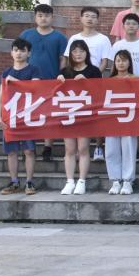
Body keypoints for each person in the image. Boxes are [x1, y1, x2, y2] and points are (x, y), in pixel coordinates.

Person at [20, 3, 67, 164]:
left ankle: (48, 148)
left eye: (46, 15)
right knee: (29, 115)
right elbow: (19, 56)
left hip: (51, 82)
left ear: (52, 17)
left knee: (49, 117)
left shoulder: (60, 37)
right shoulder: (26, 35)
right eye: (40, 15)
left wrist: (60, 75)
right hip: (29, 82)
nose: (43, 18)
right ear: (35, 17)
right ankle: (28, 147)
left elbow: (63, 59)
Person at [56, 40, 103, 195]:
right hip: (68, 115)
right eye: (75, 51)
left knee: (83, 148)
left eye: (81, 51)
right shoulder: (65, 71)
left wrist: (87, 82)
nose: (78, 54)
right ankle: (69, 181)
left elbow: (100, 92)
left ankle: (82, 181)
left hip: (85, 115)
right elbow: (56, 94)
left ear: (86, 53)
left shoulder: (94, 71)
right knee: (69, 149)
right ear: (70, 54)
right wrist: (58, 82)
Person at [0, 39, 41, 195]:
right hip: (10, 117)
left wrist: (15, 81)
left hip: (28, 116)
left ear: (29, 53)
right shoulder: (6, 72)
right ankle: (14, 182)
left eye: (22, 50)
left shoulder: (34, 70)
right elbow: (1, 96)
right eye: (16, 50)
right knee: (11, 151)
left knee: (29, 151)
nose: (19, 53)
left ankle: (29, 182)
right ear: (11, 52)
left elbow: (35, 89)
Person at [105, 50, 139, 195]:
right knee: (111, 150)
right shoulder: (109, 80)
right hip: (112, 119)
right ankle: (115, 180)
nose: (121, 63)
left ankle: (127, 181)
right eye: (118, 60)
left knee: (128, 148)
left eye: (124, 60)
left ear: (129, 62)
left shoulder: (136, 79)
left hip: (129, 119)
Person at [65, 6, 112, 72]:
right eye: (86, 16)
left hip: (95, 76)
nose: (90, 19)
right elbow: (69, 59)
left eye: (93, 17)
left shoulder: (104, 39)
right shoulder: (74, 38)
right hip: (75, 76)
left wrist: (95, 75)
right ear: (81, 18)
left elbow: (104, 62)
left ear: (97, 20)